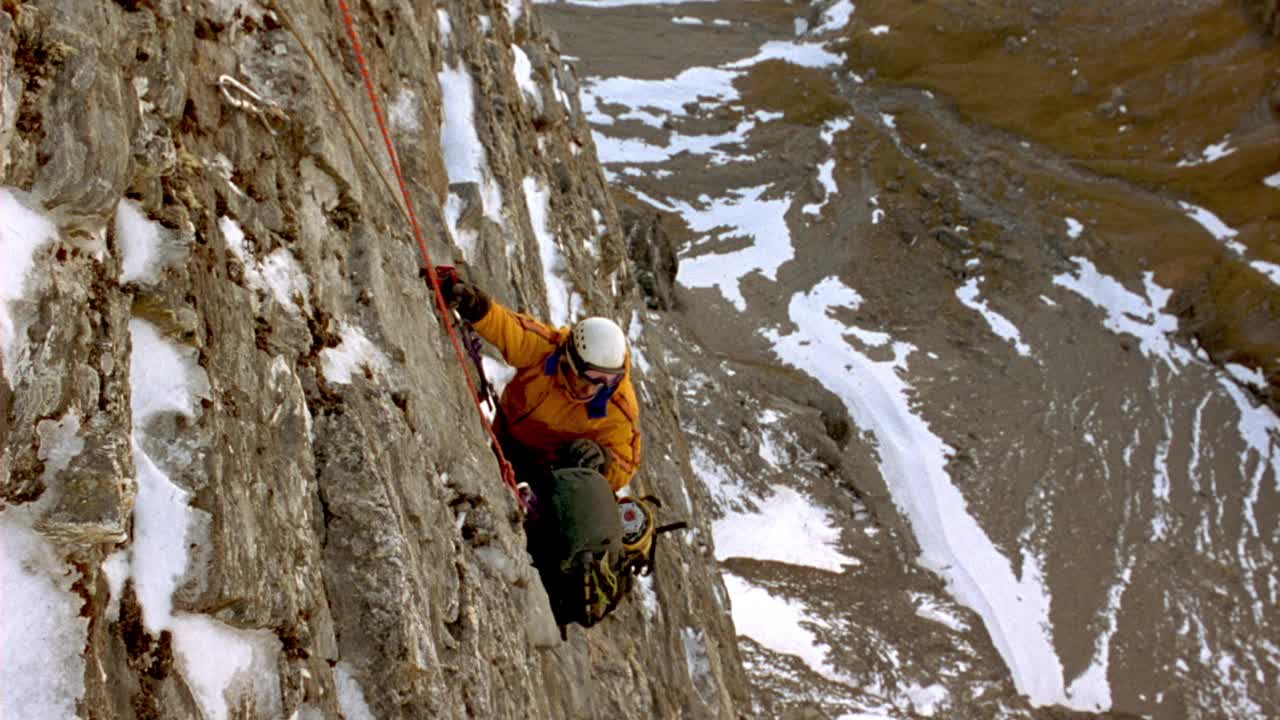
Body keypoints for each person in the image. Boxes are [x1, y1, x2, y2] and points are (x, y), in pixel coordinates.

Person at [439, 273, 641, 493]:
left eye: (607, 381)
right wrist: (477, 307)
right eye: (587, 376)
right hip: (505, 431)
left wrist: (604, 459)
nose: (592, 389)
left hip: (549, 469)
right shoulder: (547, 350)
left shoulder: (617, 407)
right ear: (569, 360)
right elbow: (511, 329)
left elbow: (625, 463)